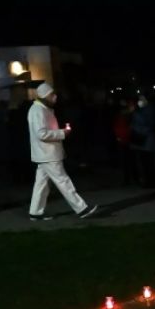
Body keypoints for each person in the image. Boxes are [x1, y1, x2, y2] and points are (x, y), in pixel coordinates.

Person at [27, 83, 98, 220]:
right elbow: (41, 134)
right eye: (52, 94)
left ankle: (35, 212)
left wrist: (61, 133)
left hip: (46, 154)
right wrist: (62, 133)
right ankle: (82, 209)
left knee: (41, 185)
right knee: (63, 181)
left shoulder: (42, 109)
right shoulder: (37, 111)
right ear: (45, 96)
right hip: (48, 154)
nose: (55, 97)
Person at [130, 94, 155, 188]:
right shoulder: (143, 110)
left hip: (146, 140)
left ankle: (152, 182)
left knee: (149, 163)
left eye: (142, 99)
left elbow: (147, 124)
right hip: (142, 140)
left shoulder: (148, 110)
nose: (140, 101)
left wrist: (135, 114)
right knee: (144, 162)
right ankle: (148, 181)